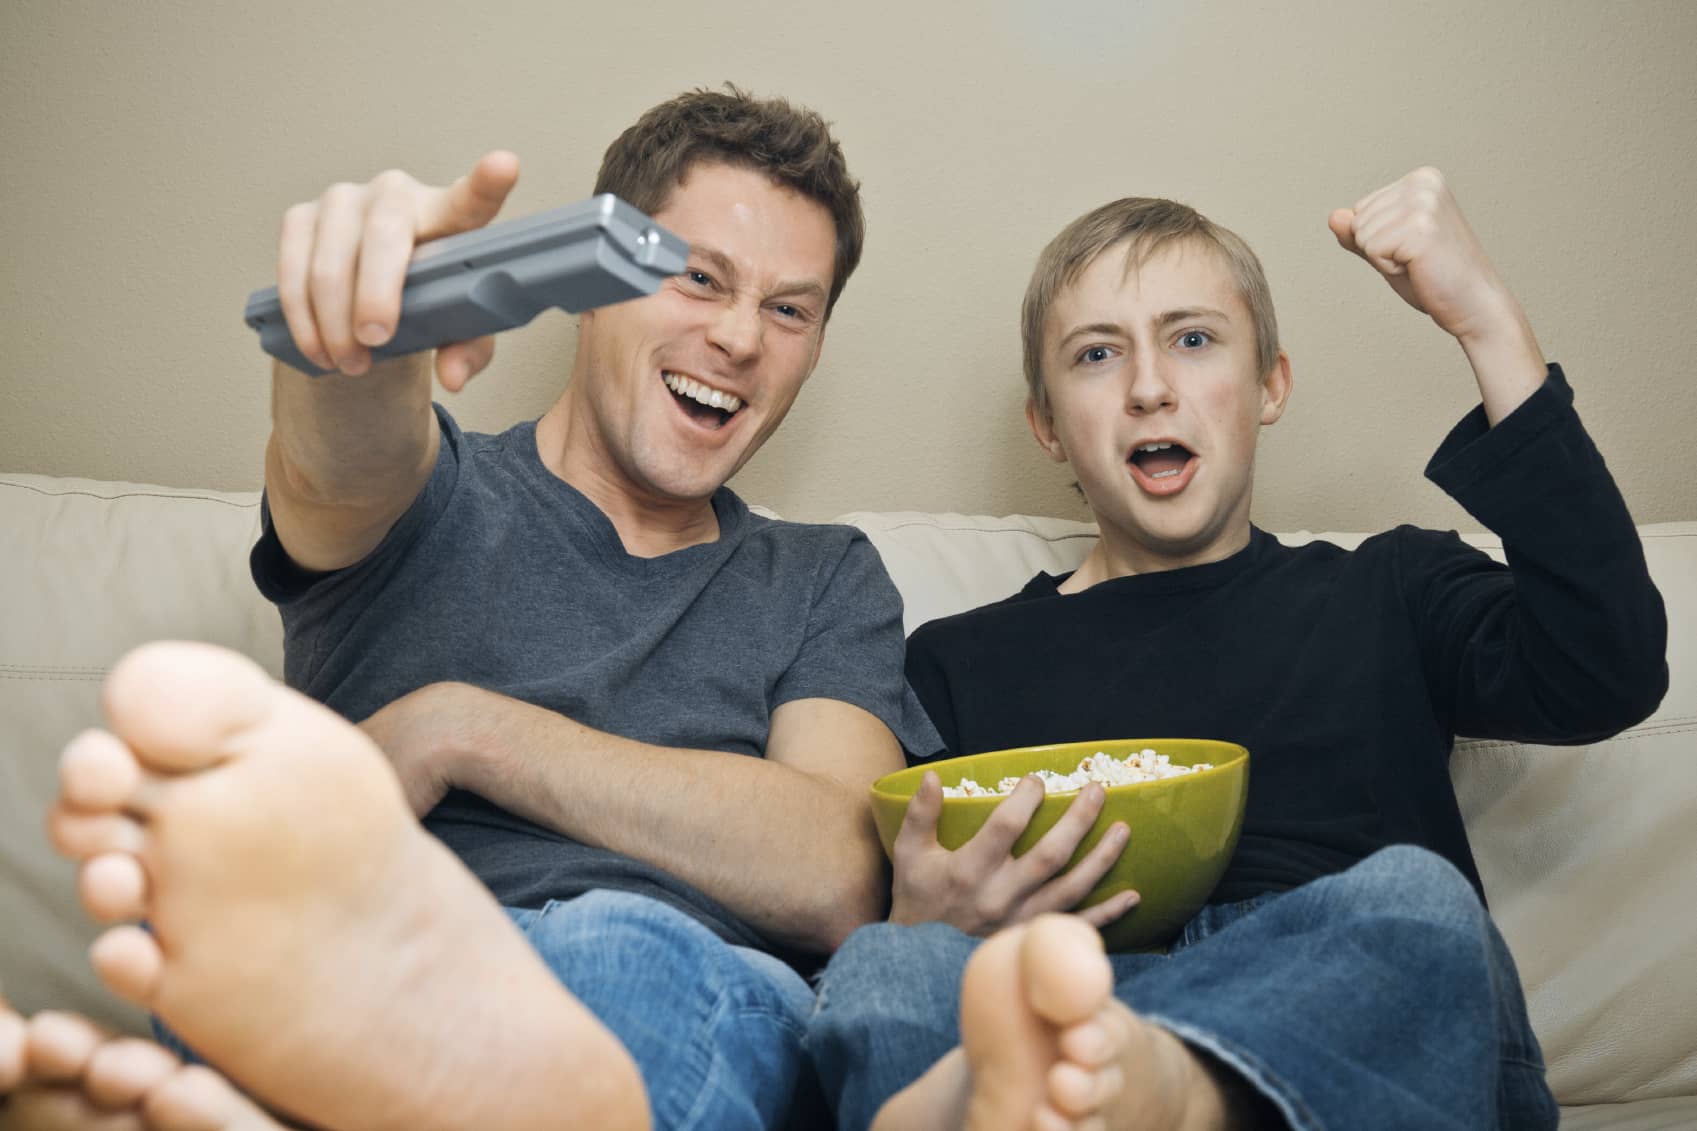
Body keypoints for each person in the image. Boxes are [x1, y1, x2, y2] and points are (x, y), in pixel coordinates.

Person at [2, 85, 941, 1131]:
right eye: (696, 277)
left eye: (787, 308)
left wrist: (467, 729)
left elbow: (836, 871)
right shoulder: (426, 494)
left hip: (675, 987)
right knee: (291, 953)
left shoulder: (819, 576)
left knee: (615, 960)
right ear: (592, 284)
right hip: (368, 944)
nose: (736, 337)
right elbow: (342, 446)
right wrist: (356, 336)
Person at [803, 168, 1668, 1130]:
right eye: (1096, 355)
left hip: (1353, 1033)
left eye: (1193, 339)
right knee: (887, 963)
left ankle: (1167, 1084)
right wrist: (923, 920)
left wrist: (1486, 322)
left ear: (1269, 387)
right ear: (1047, 425)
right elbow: (893, 925)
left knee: (1414, 901)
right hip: (1068, 1021)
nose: (1148, 387)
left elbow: (1610, 666)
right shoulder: (950, 664)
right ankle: (1105, 1086)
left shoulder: (1391, 588)